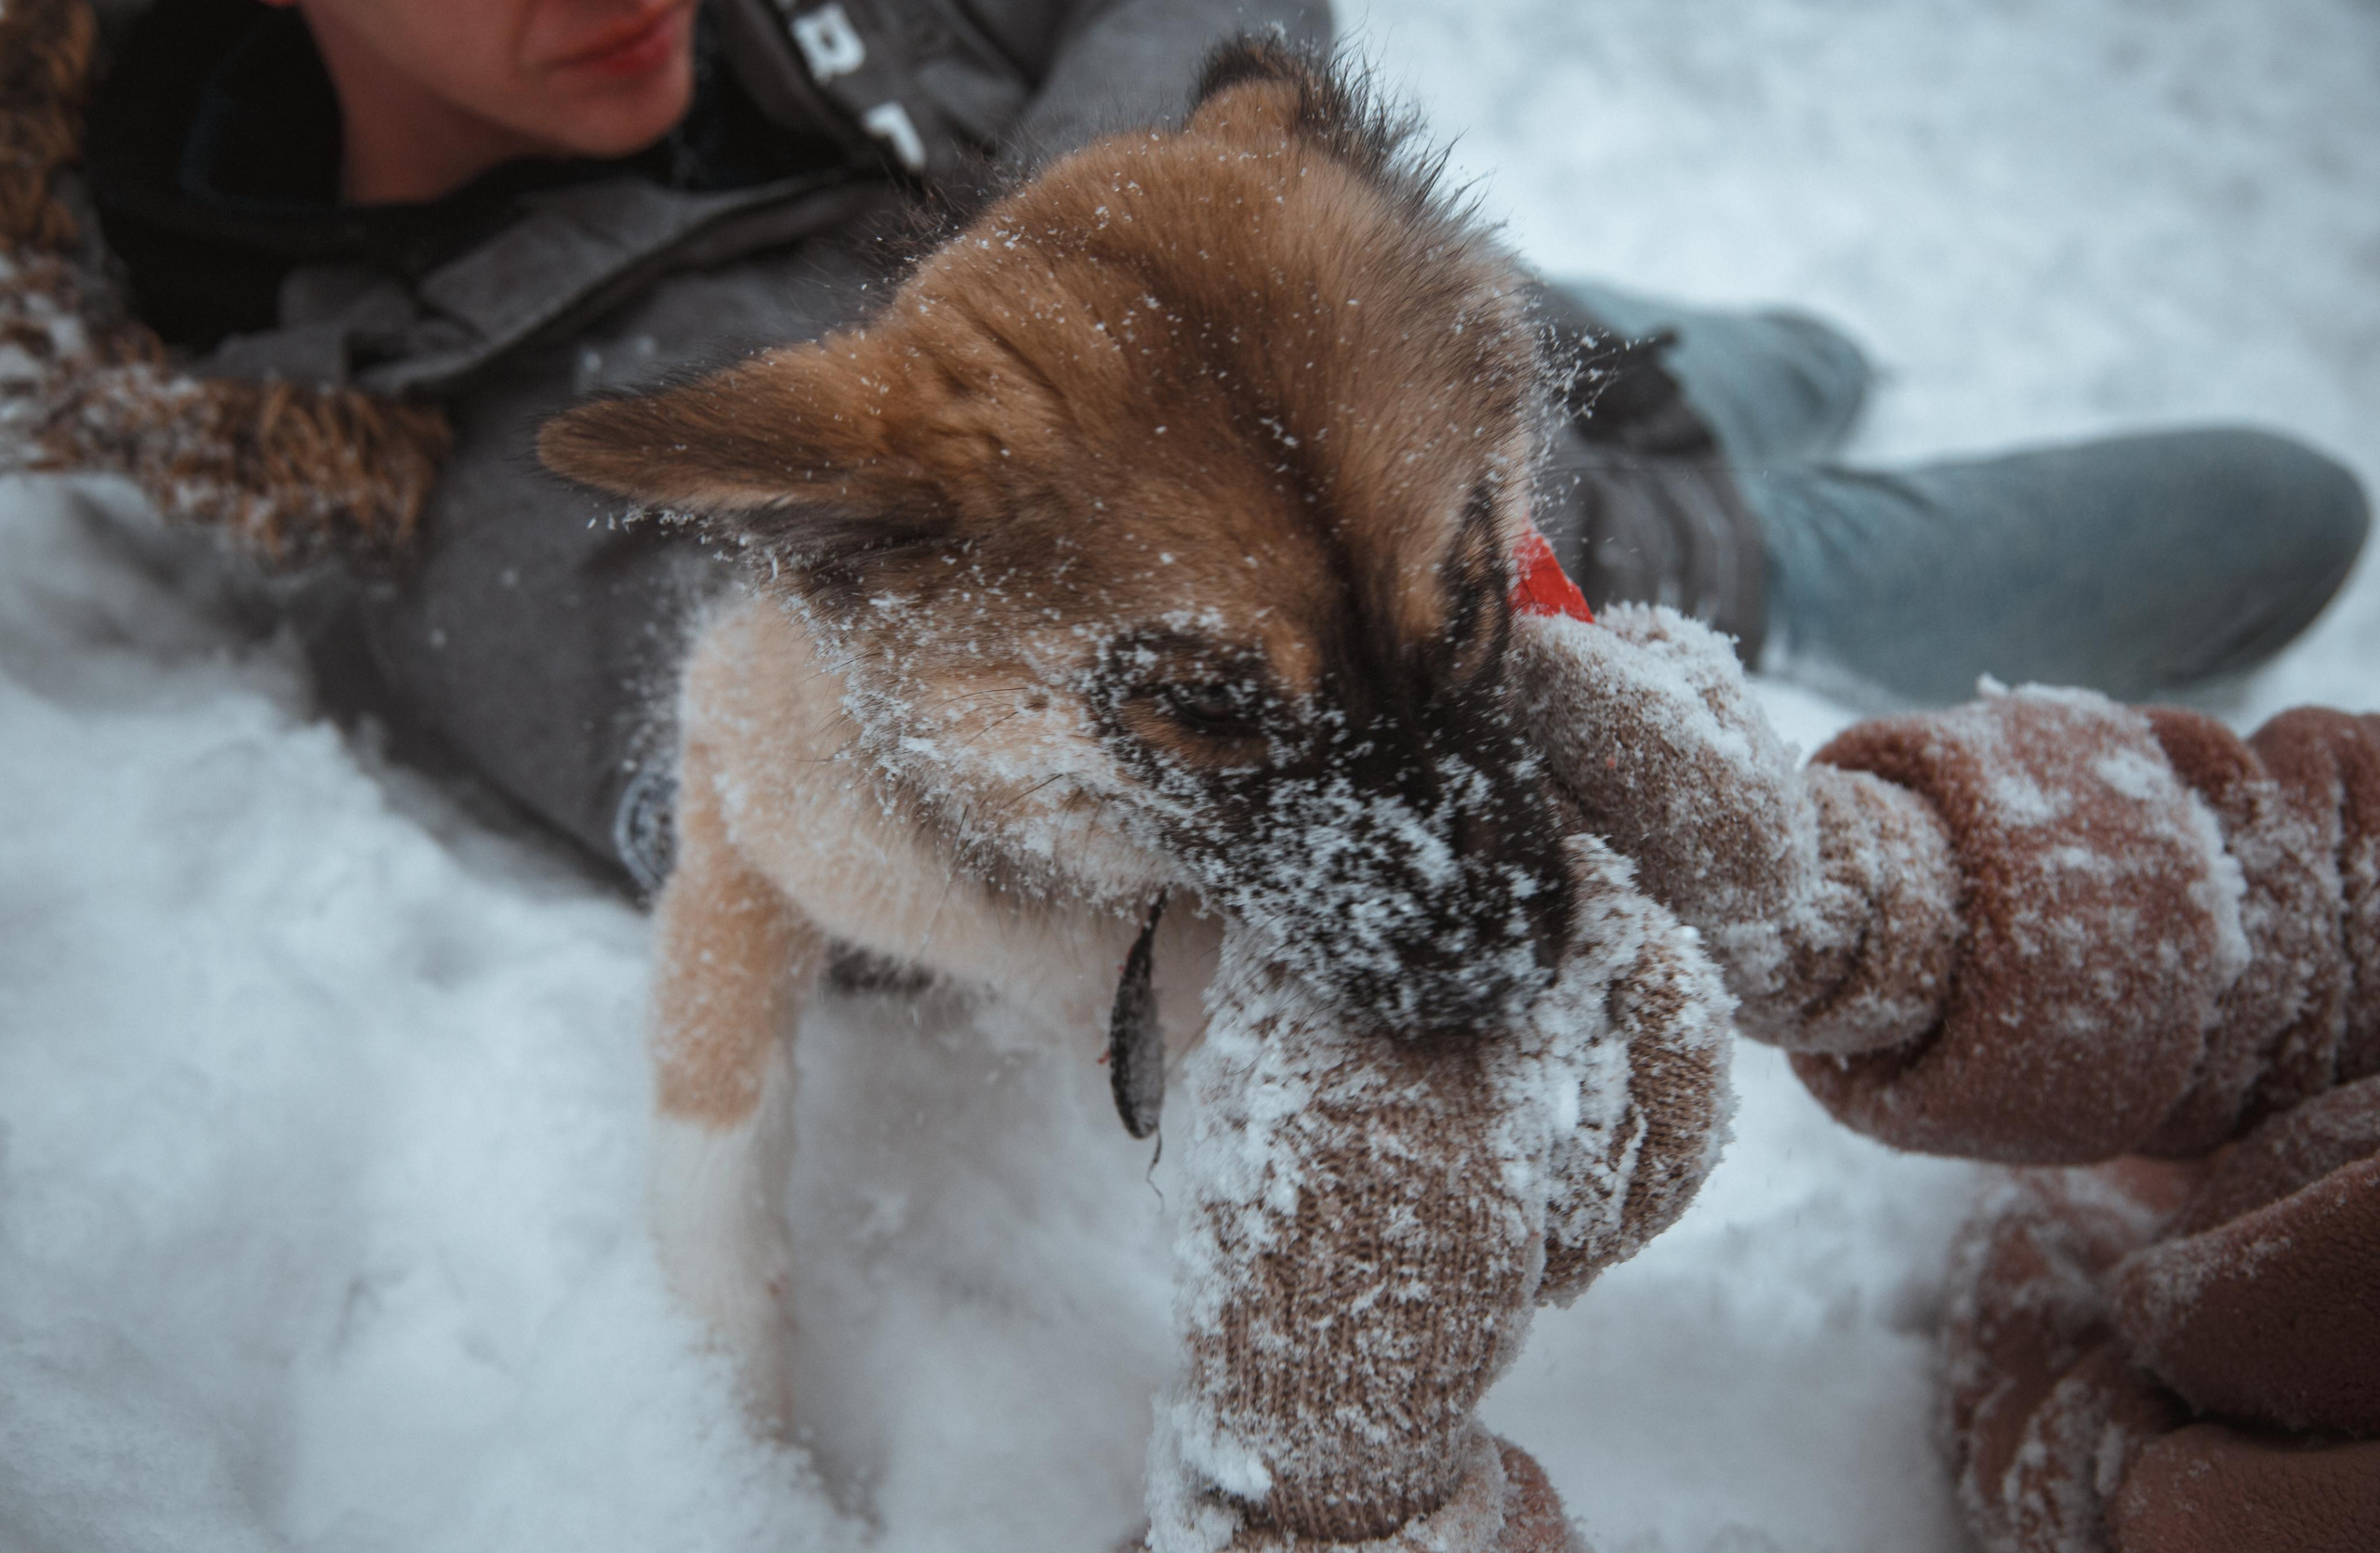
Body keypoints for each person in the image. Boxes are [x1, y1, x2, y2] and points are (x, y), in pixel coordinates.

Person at [24, 0, 2375, 895]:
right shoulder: (456, 468)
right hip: (1574, 564)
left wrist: (1074, 287)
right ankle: (1785, 525)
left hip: (1491, 372)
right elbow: (807, 786)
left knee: (1779, 331)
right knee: (2281, 510)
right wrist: (1139, 225)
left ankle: (1675, 365)